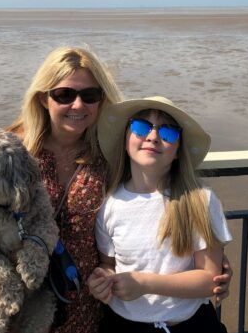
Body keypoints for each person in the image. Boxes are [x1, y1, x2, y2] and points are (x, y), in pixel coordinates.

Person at [0, 47, 232, 333]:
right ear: (44, 98)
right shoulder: (14, 148)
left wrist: (208, 263)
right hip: (23, 296)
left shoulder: (109, 151)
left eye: (90, 96)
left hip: (88, 301)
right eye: (65, 95)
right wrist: (19, 251)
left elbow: (154, 204)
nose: (78, 106)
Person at [88, 96, 232, 333]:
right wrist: (103, 281)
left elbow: (210, 280)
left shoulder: (200, 200)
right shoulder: (109, 205)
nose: (153, 137)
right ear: (125, 140)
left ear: (177, 151)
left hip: (190, 325)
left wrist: (145, 283)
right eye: (140, 126)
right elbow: (108, 264)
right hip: (123, 325)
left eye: (168, 132)